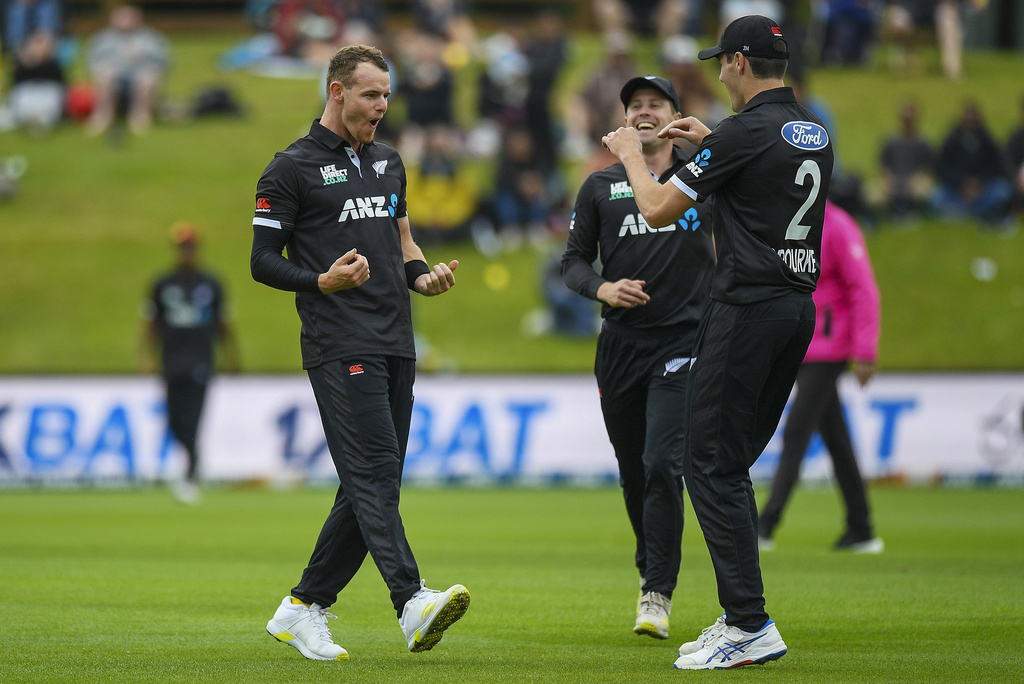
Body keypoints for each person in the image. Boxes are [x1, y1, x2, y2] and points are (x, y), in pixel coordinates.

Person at [602, 15, 833, 669]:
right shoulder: (812, 130)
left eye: (721, 62)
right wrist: (712, 145)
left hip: (745, 311)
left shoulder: (740, 134)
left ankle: (748, 623)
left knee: (708, 463)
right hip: (796, 309)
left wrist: (629, 154)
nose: (720, 73)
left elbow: (655, 209)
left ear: (738, 63)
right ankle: (742, 617)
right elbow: (767, 182)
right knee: (727, 462)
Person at [249, 44, 469, 661]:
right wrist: (321, 280)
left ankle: (303, 607)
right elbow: (262, 261)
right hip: (339, 340)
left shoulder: (389, 162)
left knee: (372, 481)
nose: (382, 107)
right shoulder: (289, 168)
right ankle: (411, 601)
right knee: (373, 473)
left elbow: (403, 240)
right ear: (337, 91)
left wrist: (423, 276)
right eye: (371, 95)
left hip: (396, 338)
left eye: (387, 96)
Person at [561, 74, 715, 640]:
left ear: (675, 116)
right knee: (633, 472)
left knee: (660, 464)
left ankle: (657, 591)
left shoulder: (701, 178)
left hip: (684, 344)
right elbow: (573, 262)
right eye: (635, 106)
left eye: (656, 104)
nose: (644, 112)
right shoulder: (600, 186)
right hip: (621, 347)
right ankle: (650, 569)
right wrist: (604, 288)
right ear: (624, 120)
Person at [757, 199, 882, 553]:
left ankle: (764, 525)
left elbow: (863, 287)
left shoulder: (838, 225)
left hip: (829, 348)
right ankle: (861, 528)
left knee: (797, 430)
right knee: (836, 437)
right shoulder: (785, 220)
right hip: (801, 345)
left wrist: (865, 350)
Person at [140, 223, 240, 504]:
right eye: (182, 247)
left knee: (194, 420)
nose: (186, 252)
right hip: (171, 361)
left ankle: (191, 475)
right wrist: (145, 356)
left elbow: (224, 323)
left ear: (196, 249)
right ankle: (194, 460)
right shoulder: (162, 284)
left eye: (190, 247)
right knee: (174, 420)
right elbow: (151, 323)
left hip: (201, 361)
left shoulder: (211, 283)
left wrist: (232, 356)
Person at [84, 4, 170, 137]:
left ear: (137, 19)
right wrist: (106, 66)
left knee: (147, 77)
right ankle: (103, 115)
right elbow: (93, 62)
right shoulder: (103, 38)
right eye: (121, 19)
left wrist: (145, 60)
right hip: (114, 79)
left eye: (128, 18)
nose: (125, 22)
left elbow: (163, 62)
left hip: (140, 80)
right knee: (105, 75)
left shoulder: (150, 38)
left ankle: (140, 116)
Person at [932, 101, 1013, 228]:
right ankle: (966, 211)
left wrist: (979, 183)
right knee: (936, 195)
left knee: (1003, 190)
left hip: (982, 189)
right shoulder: (951, 139)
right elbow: (942, 167)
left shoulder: (987, 139)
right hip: (957, 189)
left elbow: (995, 165)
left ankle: (964, 212)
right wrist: (961, 183)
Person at [874, 99, 936, 221]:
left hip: (914, 182)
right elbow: (882, 166)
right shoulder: (890, 141)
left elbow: (927, 168)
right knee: (871, 196)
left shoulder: (923, 142)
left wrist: (913, 180)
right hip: (892, 182)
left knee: (929, 193)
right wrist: (889, 180)